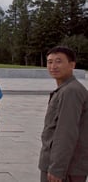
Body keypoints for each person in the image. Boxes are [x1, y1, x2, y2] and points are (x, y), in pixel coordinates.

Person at [39, 46, 88, 182]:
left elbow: (66, 132)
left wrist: (57, 168)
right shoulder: (65, 89)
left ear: (72, 65)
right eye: (49, 62)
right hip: (60, 165)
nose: (53, 66)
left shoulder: (71, 91)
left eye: (59, 61)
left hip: (65, 169)